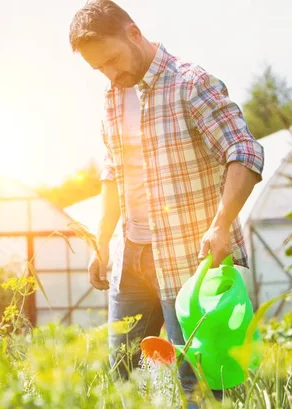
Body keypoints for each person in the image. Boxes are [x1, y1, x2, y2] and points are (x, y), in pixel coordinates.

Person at [68, 0, 264, 405]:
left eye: (112, 60)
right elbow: (113, 170)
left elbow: (244, 151)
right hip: (132, 260)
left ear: (133, 33)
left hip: (189, 263)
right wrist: (103, 241)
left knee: (201, 385)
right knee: (124, 376)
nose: (109, 74)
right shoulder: (113, 97)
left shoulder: (191, 84)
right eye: (98, 68)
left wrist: (221, 224)